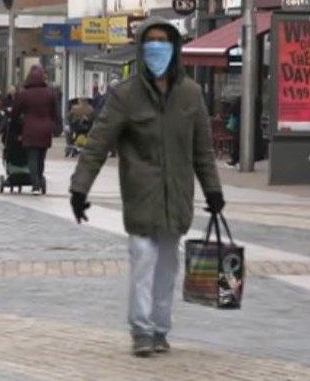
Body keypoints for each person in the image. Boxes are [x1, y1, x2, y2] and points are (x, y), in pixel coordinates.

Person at [69, 19, 224, 357]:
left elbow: (203, 150)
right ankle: (141, 329)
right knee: (143, 260)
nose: (157, 47)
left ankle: (160, 328)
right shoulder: (125, 95)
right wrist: (79, 189)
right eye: (150, 41)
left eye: (163, 41)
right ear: (141, 48)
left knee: (168, 267)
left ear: (175, 49)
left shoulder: (191, 95)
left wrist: (213, 190)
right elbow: (97, 144)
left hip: (177, 197)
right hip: (141, 196)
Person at [12, 65, 63, 193]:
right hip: (45, 129)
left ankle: (35, 184)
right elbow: (56, 112)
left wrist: (16, 123)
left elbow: (15, 112)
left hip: (29, 128)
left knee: (32, 157)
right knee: (41, 157)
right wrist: (57, 126)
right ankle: (39, 179)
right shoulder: (50, 93)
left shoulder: (24, 94)